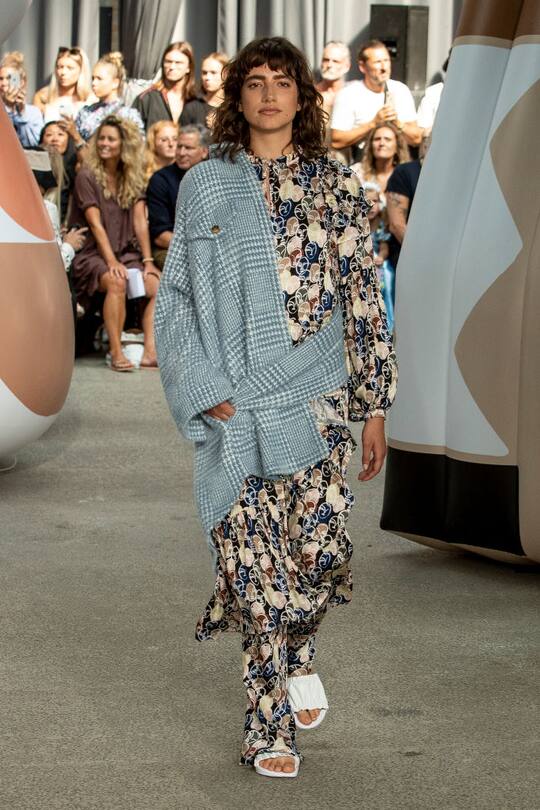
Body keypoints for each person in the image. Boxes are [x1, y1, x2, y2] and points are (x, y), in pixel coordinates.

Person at [154, 37, 397, 778]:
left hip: (318, 403)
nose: (268, 95)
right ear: (238, 98)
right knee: (257, 573)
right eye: (254, 83)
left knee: (317, 555)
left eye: (281, 83)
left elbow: (364, 302)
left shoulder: (340, 188)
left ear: (302, 96)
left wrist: (375, 406)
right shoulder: (205, 186)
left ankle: (299, 658)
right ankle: (270, 731)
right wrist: (206, 394)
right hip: (238, 409)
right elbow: (177, 302)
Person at [69, 115, 160, 371]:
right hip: (93, 253)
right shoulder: (87, 175)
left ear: (124, 145)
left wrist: (148, 261)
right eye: (101, 139)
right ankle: (116, 352)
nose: (103, 144)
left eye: (111, 139)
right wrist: (111, 262)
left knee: (157, 285)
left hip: (126, 251)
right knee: (117, 280)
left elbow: (140, 222)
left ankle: (149, 353)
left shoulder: (131, 176)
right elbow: (95, 225)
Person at [352, 123, 409, 330]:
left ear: (397, 146)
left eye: (387, 139)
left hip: (394, 246)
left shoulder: (404, 174)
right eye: (377, 139)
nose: (381, 143)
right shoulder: (357, 173)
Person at [331, 40, 422, 156]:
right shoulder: (348, 94)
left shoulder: (400, 90)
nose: (384, 67)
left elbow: (416, 139)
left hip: (397, 161)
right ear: (362, 67)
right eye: (378, 62)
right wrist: (373, 124)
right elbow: (337, 141)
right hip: (363, 161)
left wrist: (397, 123)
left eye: (386, 61)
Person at [147, 124, 209, 268]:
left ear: (204, 151)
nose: (181, 153)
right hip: (170, 248)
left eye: (188, 148)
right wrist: (198, 250)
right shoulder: (160, 180)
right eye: (179, 146)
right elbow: (160, 236)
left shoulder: (213, 178)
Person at [75, 52, 144, 141]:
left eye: (99, 79)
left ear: (115, 83)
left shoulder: (128, 115)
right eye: (93, 78)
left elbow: (138, 146)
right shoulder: (85, 113)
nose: (94, 83)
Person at [132, 41, 197, 131]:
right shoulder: (146, 99)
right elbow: (132, 134)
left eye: (178, 63)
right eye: (168, 62)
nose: (172, 67)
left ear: (189, 67)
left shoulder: (196, 99)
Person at [33, 46, 92, 122]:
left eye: (70, 68)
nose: (63, 72)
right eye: (60, 67)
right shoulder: (43, 97)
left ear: (81, 70)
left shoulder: (91, 99)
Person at [39, 119, 83, 222]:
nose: (55, 139)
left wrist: (77, 137)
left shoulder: (75, 166)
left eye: (60, 134)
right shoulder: (34, 167)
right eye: (49, 135)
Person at [315, 41, 350, 162]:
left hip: (344, 163)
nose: (329, 65)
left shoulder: (352, 95)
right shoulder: (310, 95)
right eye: (326, 60)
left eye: (335, 61)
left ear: (347, 66)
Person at [0, 52, 43, 147]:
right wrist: (7, 108)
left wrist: (22, 114)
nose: (3, 83)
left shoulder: (33, 113)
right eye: (1, 79)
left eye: (9, 78)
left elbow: (32, 144)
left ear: (21, 82)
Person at [180, 51, 228, 128]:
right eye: (204, 73)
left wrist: (220, 128)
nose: (207, 77)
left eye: (213, 72)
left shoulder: (234, 109)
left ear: (225, 75)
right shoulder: (192, 108)